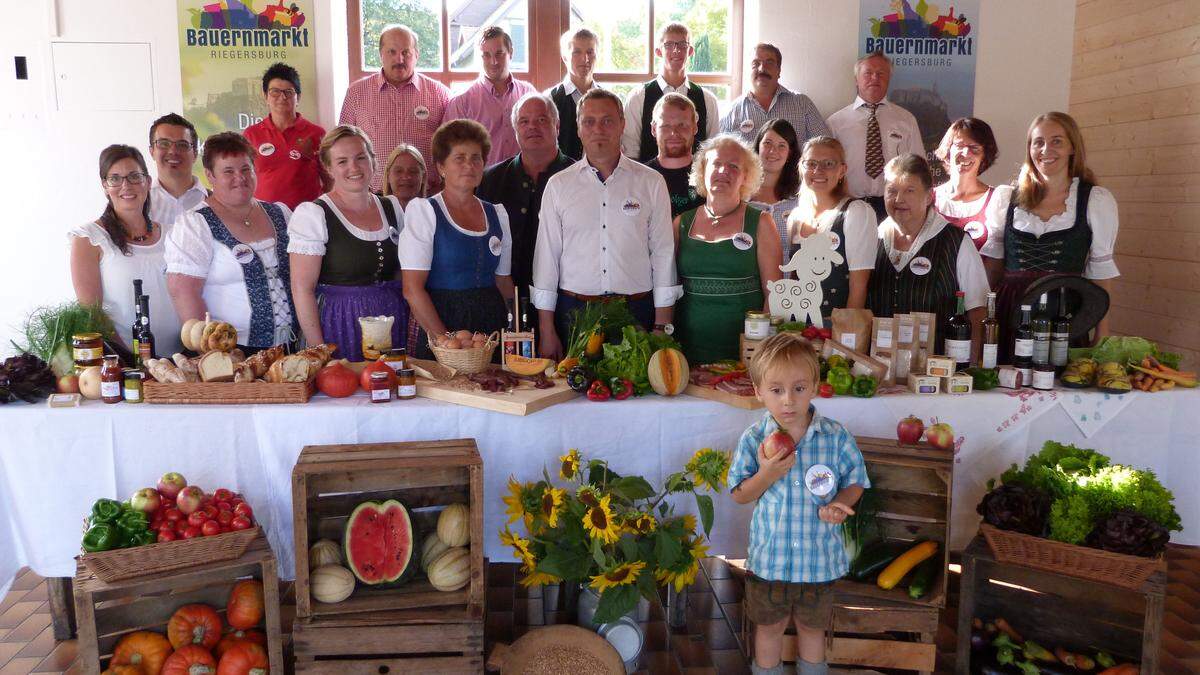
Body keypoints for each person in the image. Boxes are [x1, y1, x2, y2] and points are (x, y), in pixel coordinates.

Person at [730, 333, 868, 675]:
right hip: (770, 559)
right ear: (759, 390)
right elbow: (740, 494)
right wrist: (766, 473)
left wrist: (840, 503)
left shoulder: (834, 436)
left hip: (818, 559)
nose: (788, 400)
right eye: (776, 390)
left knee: (812, 629)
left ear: (816, 386)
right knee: (769, 628)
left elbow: (856, 480)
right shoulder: (754, 439)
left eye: (799, 388)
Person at [533, 89, 680, 359]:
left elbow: (663, 254)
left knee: (638, 397)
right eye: (589, 121)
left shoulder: (651, 182)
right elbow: (546, 259)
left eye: (607, 120)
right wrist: (546, 329)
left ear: (623, 123)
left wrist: (661, 325)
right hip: (574, 314)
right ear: (577, 128)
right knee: (572, 397)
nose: (598, 129)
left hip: (636, 313)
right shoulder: (558, 186)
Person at [982, 111, 1119, 353]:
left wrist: (1102, 331)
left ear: (1072, 148)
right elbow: (993, 266)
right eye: (1038, 142)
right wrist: (980, 317)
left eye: (1057, 141)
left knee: (1059, 383)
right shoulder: (1007, 199)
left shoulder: (1094, 200)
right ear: (1030, 149)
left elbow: (1100, 273)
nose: (1046, 149)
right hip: (1010, 311)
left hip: (1065, 313)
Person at [166, 132, 297, 352]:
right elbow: (184, 293)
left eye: (246, 169)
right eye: (228, 171)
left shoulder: (280, 213)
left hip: (293, 347)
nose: (240, 177)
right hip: (233, 353)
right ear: (210, 175)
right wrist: (211, 356)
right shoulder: (194, 225)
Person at [287, 126, 406, 361]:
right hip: (339, 323)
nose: (354, 167)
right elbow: (302, 290)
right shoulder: (314, 214)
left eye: (361, 157)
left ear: (373, 160)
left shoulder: (392, 207)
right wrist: (319, 352)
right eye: (342, 161)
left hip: (393, 321)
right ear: (329, 168)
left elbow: (401, 273)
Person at [399, 120, 515, 359]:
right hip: (441, 319)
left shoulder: (497, 214)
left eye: (476, 158)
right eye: (459, 158)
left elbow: (503, 281)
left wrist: (516, 328)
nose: (469, 165)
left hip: (490, 326)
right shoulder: (425, 212)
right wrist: (446, 341)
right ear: (441, 166)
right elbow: (412, 289)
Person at [866, 154, 989, 358]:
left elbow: (978, 311)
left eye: (909, 190)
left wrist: (973, 366)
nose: (899, 199)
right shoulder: (872, 238)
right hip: (880, 370)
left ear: (929, 196)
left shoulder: (956, 242)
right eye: (892, 191)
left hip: (937, 369)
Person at [674, 135, 782, 364]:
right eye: (716, 164)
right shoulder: (681, 223)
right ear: (703, 171)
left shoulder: (761, 222)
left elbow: (774, 294)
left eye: (734, 166)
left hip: (744, 353)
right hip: (686, 350)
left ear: (746, 176)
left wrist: (759, 352)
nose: (723, 171)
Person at [70, 145, 182, 355]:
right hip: (127, 367)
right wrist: (129, 360)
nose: (126, 186)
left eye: (134, 177)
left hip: (182, 360)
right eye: (115, 178)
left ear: (148, 182)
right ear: (105, 186)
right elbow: (92, 313)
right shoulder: (88, 238)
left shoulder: (173, 233)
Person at [477, 93, 574, 297]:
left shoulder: (580, 178)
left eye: (541, 119)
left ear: (557, 126)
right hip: (504, 298)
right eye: (524, 121)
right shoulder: (490, 180)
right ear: (515, 130)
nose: (532, 127)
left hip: (567, 298)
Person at [339, 25, 450, 192]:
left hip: (427, 195)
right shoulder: (356, 93)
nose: (399, 59)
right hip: (373, 196)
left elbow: (450, 147)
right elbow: (343, 145)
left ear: (416, 55)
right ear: (380, 55)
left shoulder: (440, 94)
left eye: (406, 52)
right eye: (392, 52)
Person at [825, 51, 923, 221]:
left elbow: (919, 168)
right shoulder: (836, 123)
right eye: (868, 73)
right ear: (856, 79)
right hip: (848, 207)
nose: (874, 78)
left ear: (889, 79)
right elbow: (827, 169)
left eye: (881, 74)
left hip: (894, 208)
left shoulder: (906, 120)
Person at [786, 136, 877, 319]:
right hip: (796, 327)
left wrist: (844, 339)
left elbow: (858, 288)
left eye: (828, 163)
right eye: (810, 163)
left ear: (842, 170)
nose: (818, 170)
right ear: (801, 168)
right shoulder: (795, 217)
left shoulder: (856, 212)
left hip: (835, 330)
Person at [622, 23, 720, 161]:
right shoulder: (638, 97)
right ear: (658, 51)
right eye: (669, 45)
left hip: (693, 181)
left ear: (690, 51)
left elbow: (712, 152)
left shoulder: (708, 100)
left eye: (682, 45)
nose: (676, 50)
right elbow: (630, 153)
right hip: (649, 180)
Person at [444, 26, 537, 166]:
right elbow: (448, 150)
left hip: (524, 179)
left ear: (510, 53)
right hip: (481, 183)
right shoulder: (462, 101)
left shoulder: (528, 94)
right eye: (486, 55)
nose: (493, 61)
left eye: (499, 53)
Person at [244, 62, 327, 209]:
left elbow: (329, 180)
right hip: (264, 218)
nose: (282, 97)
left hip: (307, 218)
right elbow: (244, 179)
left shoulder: (317, 134)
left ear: (298, 97)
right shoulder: (251, 134)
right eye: (275, 91)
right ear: (265, 96)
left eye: (288, 92)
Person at [720, 43, 829, 146]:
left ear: (779, 71)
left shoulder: (802, 104)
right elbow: (719, 153)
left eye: (769, 63)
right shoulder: (732, 112)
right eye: (756, 64)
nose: (762, 68)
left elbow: (826, 146)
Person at [933, 117, 1011, 252]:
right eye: (959, 145)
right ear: (948, 149)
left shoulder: (997, 200)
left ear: (985, 155)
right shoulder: (927, 198)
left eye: (974, 147)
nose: (965, 153)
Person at [749, 119, 802, 262]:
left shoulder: (800, 197)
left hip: (789, 282)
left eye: (781, 146)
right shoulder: (740, 193)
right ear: (758, 146)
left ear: (790, 153)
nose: (773, 151)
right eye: (767, 143)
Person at [645, 93, 703, 218]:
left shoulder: (709, 177)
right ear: (653, 129)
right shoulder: (640, 178)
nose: (674, 133)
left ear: (695, 128)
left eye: (682, 125)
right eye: (666, 126)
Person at [546, 28, 600, 160]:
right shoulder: (549, 99)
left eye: (590, 52)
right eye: (576, 52)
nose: (585, 59)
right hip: (560, 177)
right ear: (564, 57)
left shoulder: (608, 100)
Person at [148, 113, 208, 227]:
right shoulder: (140, 204)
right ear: (152, 152)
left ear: (195, 154)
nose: (173, 151)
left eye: (182, 145)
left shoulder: (214, 203)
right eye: (164, 144)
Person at [383, 143, 427, 210]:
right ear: (388, 176)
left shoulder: (434, 214)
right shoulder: (376, 215)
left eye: (413, 171)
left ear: (423, 176)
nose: (406, 176)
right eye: (399, 171)